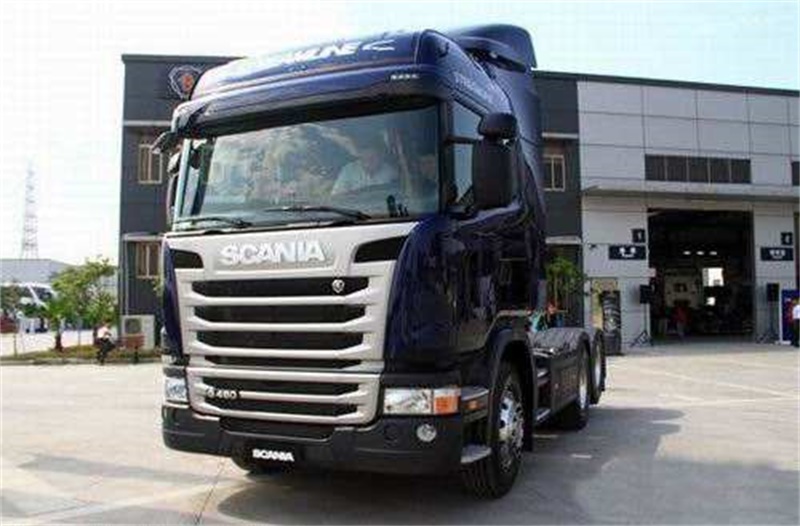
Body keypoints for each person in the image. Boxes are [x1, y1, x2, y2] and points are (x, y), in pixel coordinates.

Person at [331, 137, 398, 195]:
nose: (367, 163)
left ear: (381, 156)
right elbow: (337, 196)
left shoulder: (390, 172)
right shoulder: (348, 171)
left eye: (372, 159)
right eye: (364, 159)